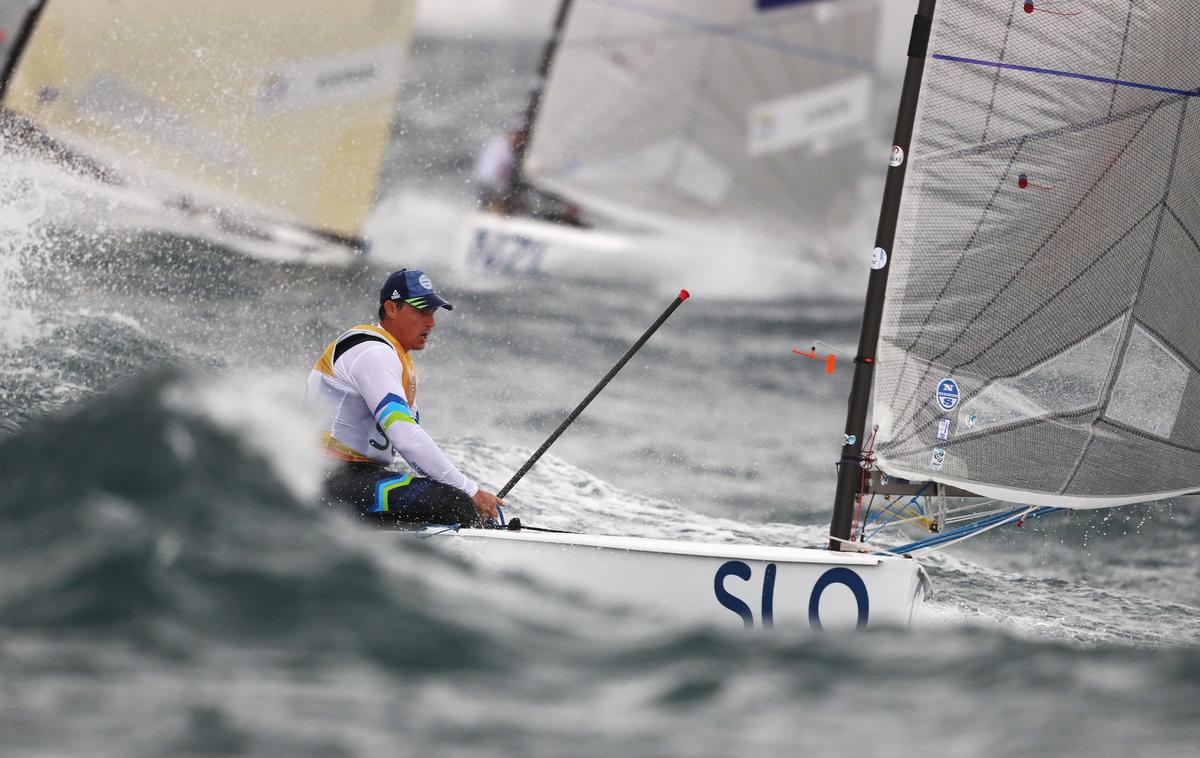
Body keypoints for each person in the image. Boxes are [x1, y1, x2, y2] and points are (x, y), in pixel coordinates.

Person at [307, 269, 505, 527]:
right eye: (421, 312)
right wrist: (471, 492)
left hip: (361, 476)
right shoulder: (373, 353)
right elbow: (405, 437)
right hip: (329, 476)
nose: (431, 322)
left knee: (457, 503)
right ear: (391, 308)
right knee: (454, 501)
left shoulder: (398, 358)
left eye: (432, 313)